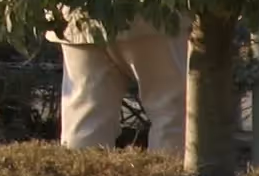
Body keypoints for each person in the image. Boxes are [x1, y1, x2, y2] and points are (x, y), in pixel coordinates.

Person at [55, 11, 186, 155]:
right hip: (156, 14)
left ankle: (78, 168)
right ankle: (173, 169)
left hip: (77, 14)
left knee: (85, 120)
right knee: (172, 114)